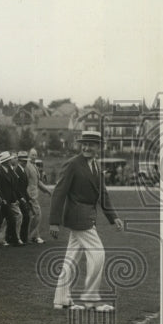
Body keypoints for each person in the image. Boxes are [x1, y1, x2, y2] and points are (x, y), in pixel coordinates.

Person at [49, 130, 124, 311]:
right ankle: (91, 300)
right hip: (79, 217)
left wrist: (113, 217)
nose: (87, 147)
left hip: (86, 216)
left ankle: (61, 300)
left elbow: (102, 194)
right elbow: (59, 191)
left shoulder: (96, 165)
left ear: (98, 147)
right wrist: (54, 221)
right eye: (85, 144)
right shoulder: (73, 164)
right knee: (98, 254)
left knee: (71, 258)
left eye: (91, 144)